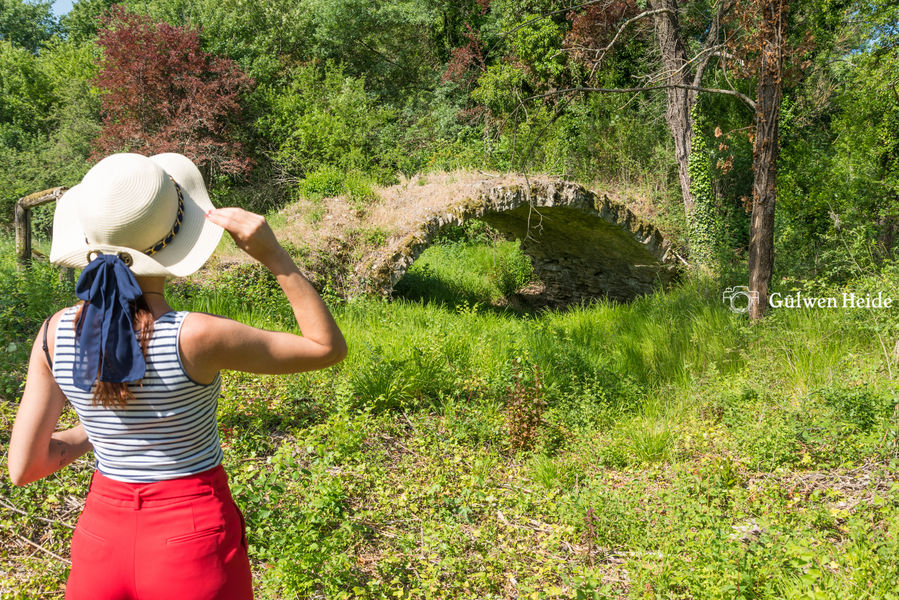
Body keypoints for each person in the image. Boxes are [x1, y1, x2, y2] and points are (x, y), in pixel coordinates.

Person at [8, 152, 347, 600]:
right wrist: (275, 256)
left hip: (100, 543)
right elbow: (327, 348)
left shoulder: (53, 334)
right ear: (173, 240)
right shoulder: (198, 335)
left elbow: (25, 467)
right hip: (193, 538)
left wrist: (100, 431)